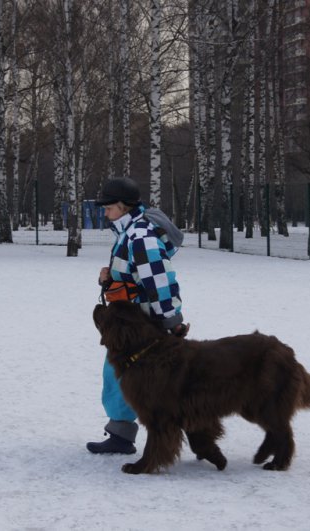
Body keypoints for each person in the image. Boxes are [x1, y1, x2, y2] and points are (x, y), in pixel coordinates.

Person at [86, 177, 187, 455]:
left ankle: (194, 432)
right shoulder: (128, 231)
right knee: (118, 376)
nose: (105, 213)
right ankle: (121, 434)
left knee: (134, 378)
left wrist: (171, 323)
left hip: (143, 326)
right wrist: (110, 280)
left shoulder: (141, 235)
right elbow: (134, 275)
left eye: (107, 208)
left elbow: (159, 280)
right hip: (129, 323)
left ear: (121, 206)